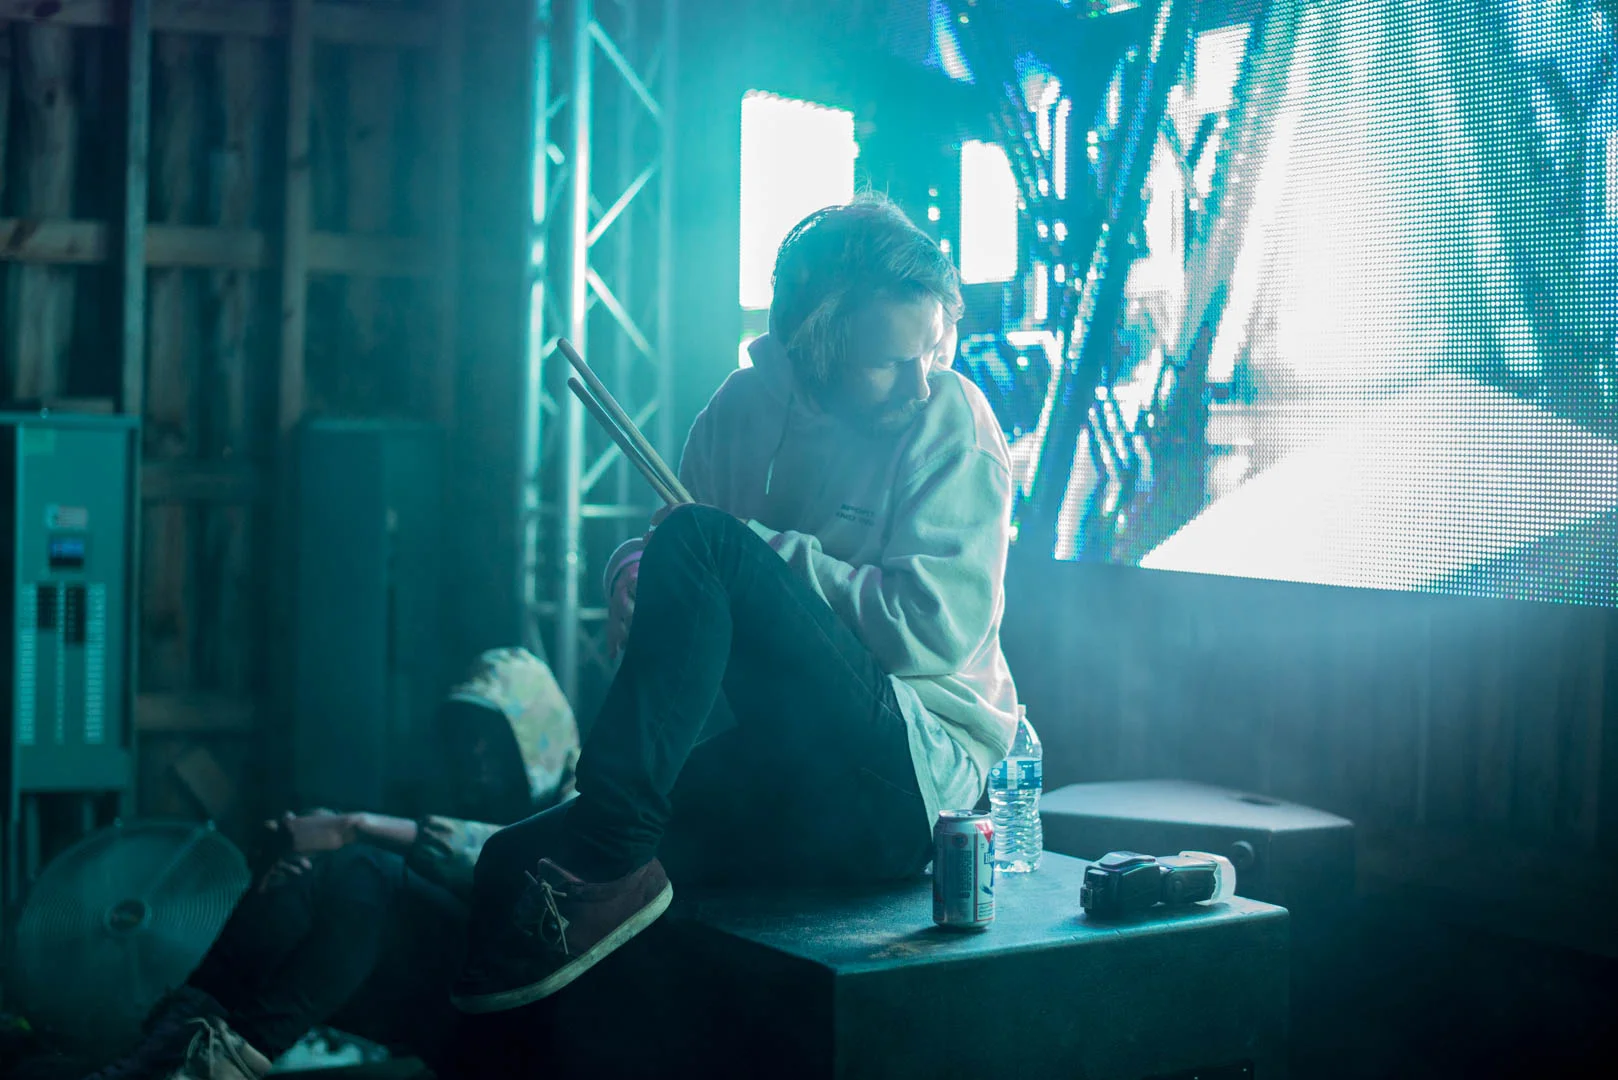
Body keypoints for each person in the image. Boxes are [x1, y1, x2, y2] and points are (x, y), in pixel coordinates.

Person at [451, 194, 1019, 1015]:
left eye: (935, 348)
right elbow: (683, 550)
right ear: (813, 344)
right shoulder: (738, 412)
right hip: (779, 767)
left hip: (911, 781)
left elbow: (930, 632)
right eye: (891, 361)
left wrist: (751, 552)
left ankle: (612, 851)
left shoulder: (950, 419)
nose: (922, 378)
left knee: (707, 542)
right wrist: (636, 571)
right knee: (507, 863)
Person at [85, 647, 578, 1080]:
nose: (475, 751)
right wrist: (289, 871)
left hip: (529, 1030)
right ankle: (164, 1052)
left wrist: (355, 826)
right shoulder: (473, 800)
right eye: (467, 734)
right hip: (457, 1011)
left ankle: (212, 1064)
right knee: (326, 873)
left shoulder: (583, 798)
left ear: (537, 735)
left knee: (365, 871)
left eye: (494, 734)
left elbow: (515, 862)